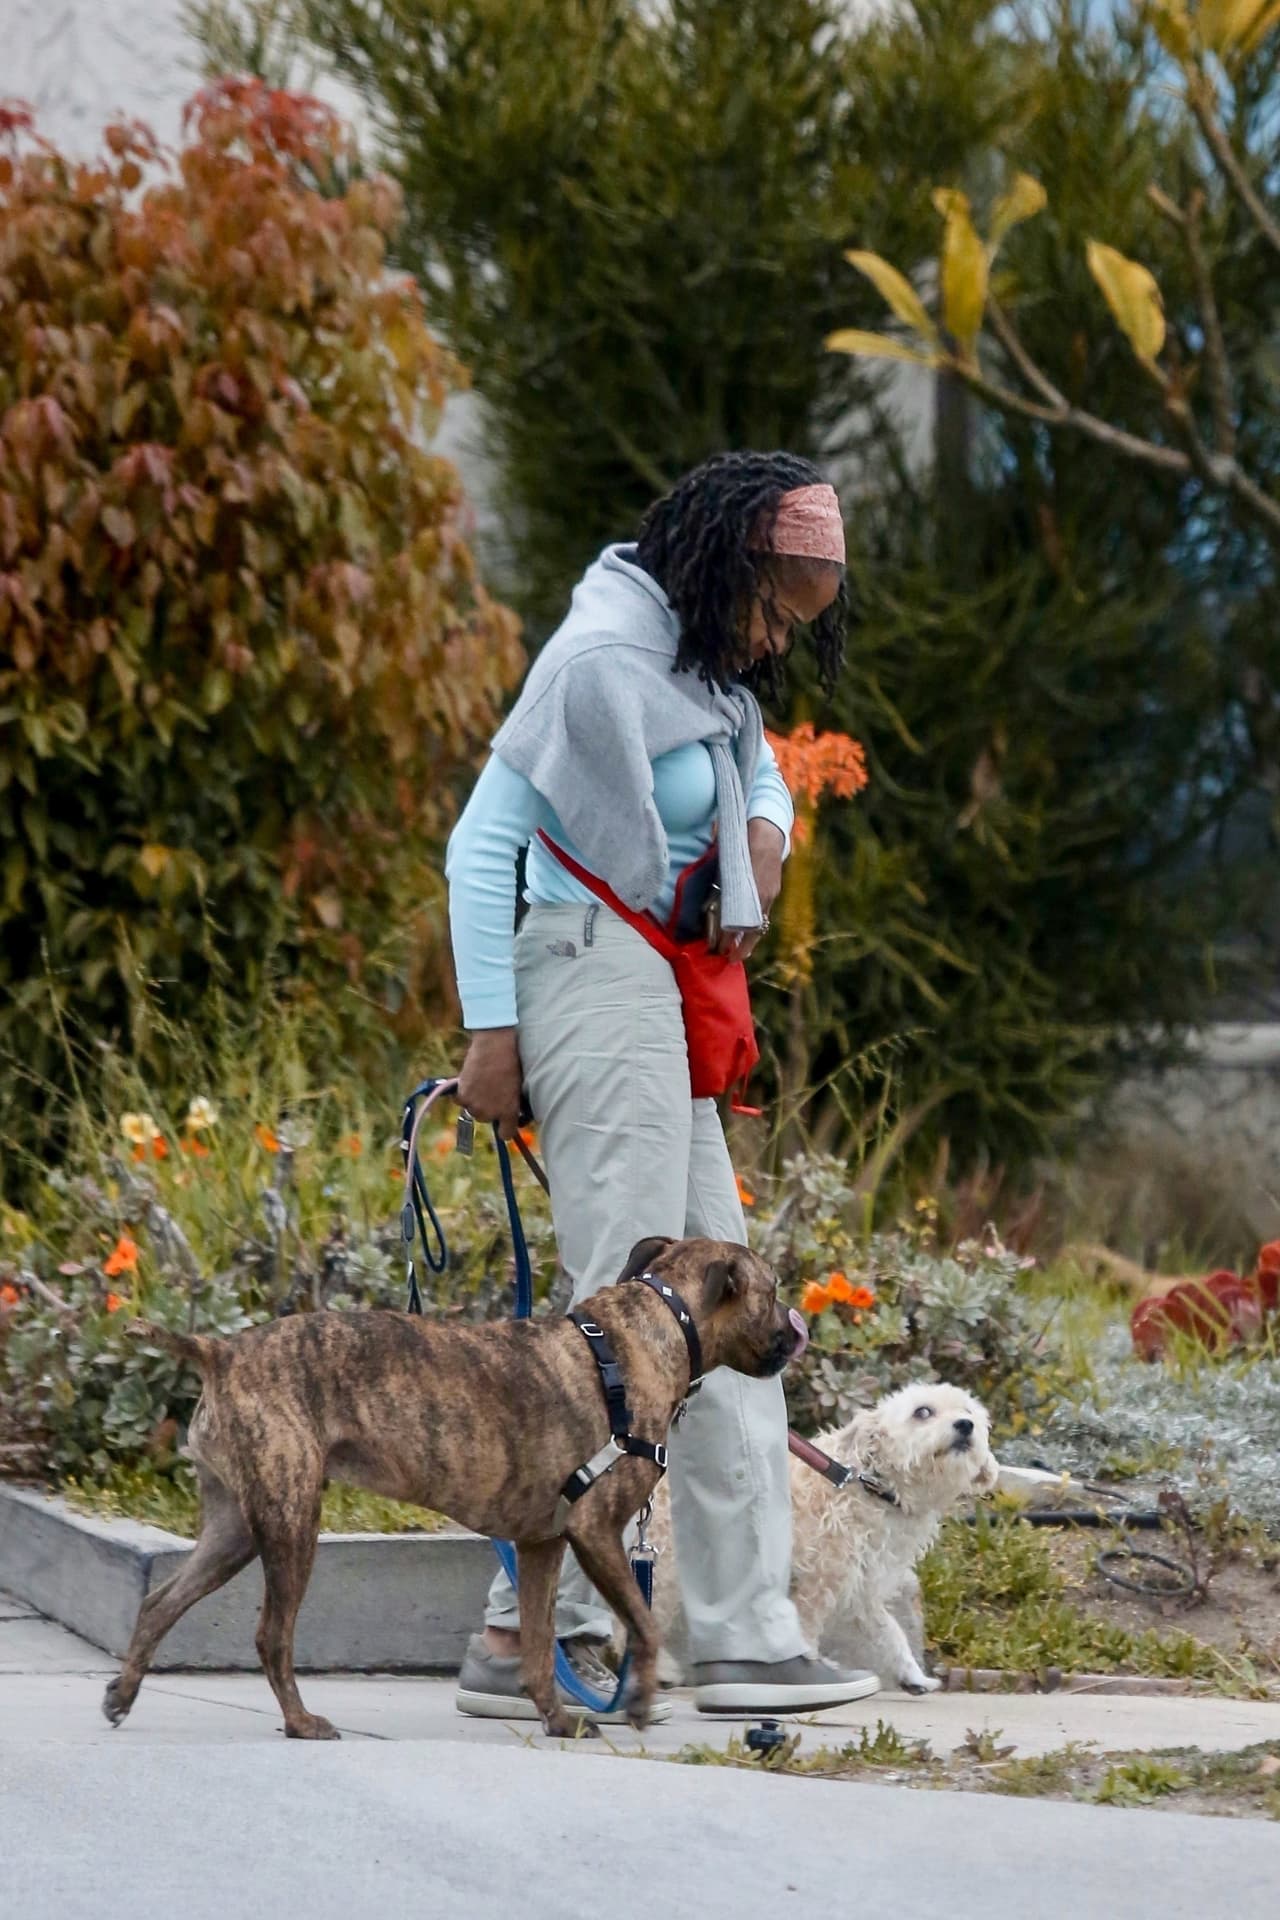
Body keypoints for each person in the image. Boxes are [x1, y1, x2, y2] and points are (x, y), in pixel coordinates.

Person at [444, 448, 880, 1720]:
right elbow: (483, 848)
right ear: (721, 566)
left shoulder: (703, 668)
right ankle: (525, 1632)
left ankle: (746, 1630)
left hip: (665, 988)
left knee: (734, 1313)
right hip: (585, 974)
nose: (770, 641)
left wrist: (767, 828)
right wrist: (491, 1034)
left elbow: (743, 767)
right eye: (769, 609)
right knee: (614, 1325)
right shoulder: (594, 669)